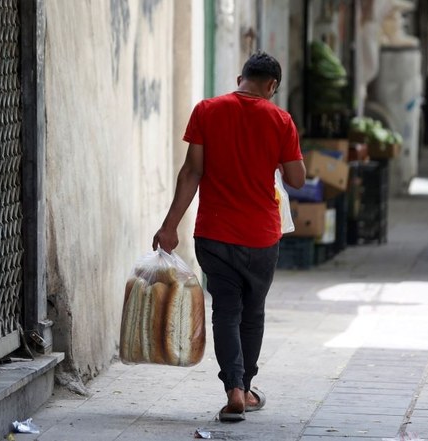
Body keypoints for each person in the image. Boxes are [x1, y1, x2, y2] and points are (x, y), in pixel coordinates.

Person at [152, 52, 305, 422]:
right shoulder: (280, 119)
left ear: (241, 78)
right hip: (261, 237)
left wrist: (169, 225)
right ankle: (247, 388)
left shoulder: (206, 110)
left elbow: (191, 172)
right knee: (252, 313)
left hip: (214, 234)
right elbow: (298, 179)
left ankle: (233, 387)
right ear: (272, 86)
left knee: (225, 310)